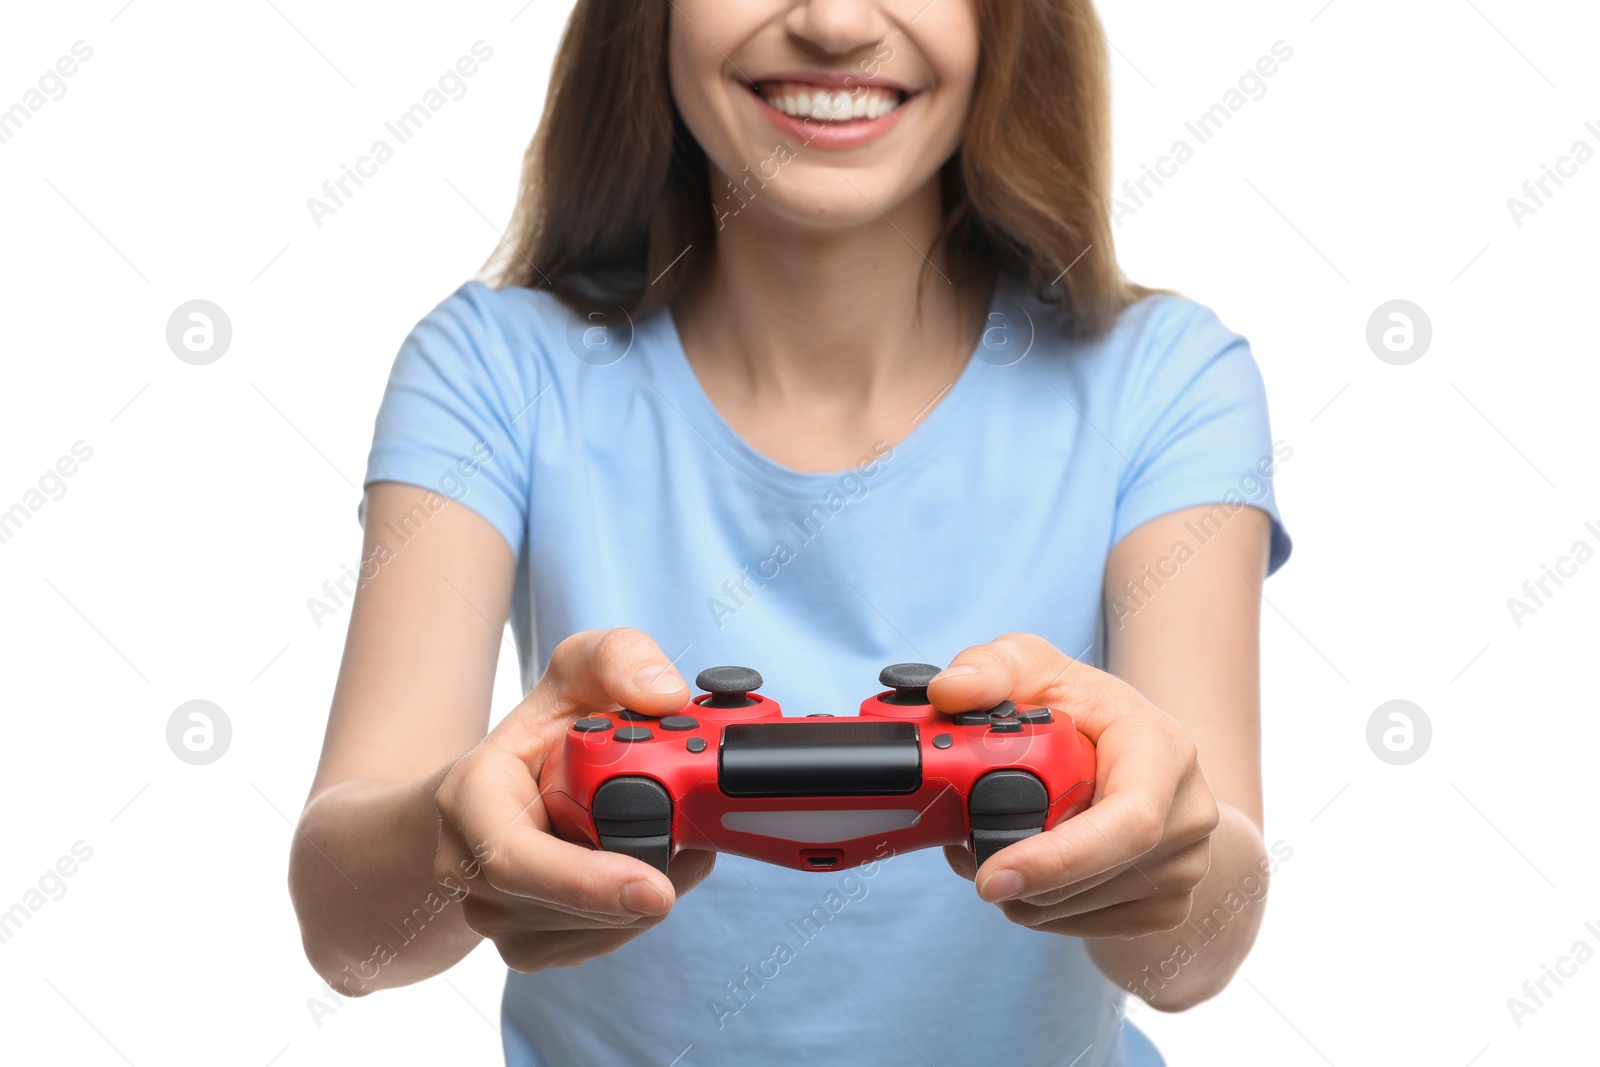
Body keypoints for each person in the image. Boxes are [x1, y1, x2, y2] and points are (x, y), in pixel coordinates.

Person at [288, 1, 1293, 1064]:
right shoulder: (492, 367)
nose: (831, 21)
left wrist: (1159, 836)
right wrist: (459, 836)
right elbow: (349, 939)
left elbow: (1194, 958)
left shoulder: (1167, 378)